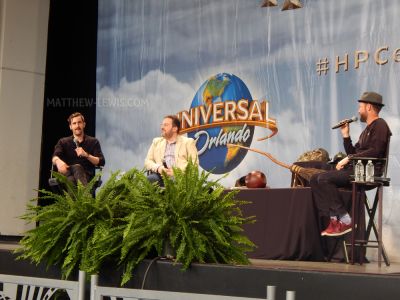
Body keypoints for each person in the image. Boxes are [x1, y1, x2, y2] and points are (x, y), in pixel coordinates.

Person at [310, 92, 391, 237]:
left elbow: (376, 151)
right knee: (315, 178)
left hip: (369, 172)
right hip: (357, 169)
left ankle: (345, 219)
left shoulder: (380, 125)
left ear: (369, 107)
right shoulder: (366, 130)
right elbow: (352, 153)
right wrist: (346, 135)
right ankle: (334, 220)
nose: (358, 110)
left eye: (360, 107)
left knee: (324, 179)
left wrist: (349, 159)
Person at [52, 112, 105, 186]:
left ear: (84, 124)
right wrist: (58, 161)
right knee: (76, 168)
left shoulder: (93, 142)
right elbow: (55, 157)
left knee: (72, 180)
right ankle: (85, 197)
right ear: (70, 126)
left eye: (79, 122)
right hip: (67, 172)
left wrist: (86, 155)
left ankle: (82, 197)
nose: (77, 126)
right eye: (74, 123)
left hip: (86, 175)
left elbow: (101, 161)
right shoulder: (63, 142)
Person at [144, 115, 198, 186]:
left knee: (177, 182)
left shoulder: (188, 142)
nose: (162, 127)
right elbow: (148, 161)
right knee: (150, 179)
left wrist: (176, 172)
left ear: (174, 128)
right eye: (162, 125)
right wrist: (158, 168)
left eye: (165, 125)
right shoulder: (156, 142)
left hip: (181, 177)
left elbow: (194, 165)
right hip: (160, 176)